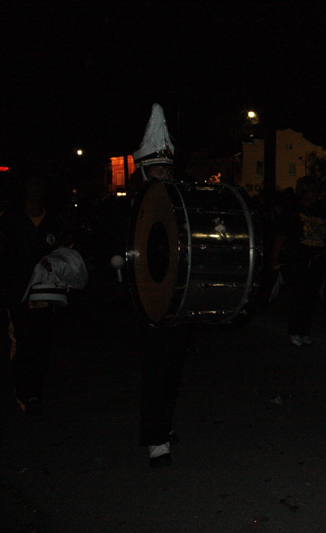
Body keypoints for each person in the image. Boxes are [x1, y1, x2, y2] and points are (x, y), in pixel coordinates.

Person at [127, 104, 188, 467]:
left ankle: (163, 424)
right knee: (156, 370)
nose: (164, 174)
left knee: (173, 368)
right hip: (147, 300)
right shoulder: (133, 206)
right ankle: (155, 438)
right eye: (158, 169)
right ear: (143, 171)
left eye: (167, 169)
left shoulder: (178, 204)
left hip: (176, 299)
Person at [0, 172, 79, 419]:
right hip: (18, 294)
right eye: (31, 185)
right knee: (22, 342)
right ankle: (26, 395)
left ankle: (36, 391)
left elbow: (68, 253)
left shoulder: (55, 222)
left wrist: (56, 266)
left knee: (42, 344)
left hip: (47, 294)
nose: (36, 190)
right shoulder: (9, 220)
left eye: (39, 185)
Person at [271, 176, 326, 346]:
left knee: (311, 298)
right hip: (298, 260)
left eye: (316, 191)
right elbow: (280, 236)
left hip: (317, 260)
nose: (315, 195)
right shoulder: (292, 211)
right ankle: (294, 331)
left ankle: (305, 331)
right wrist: (275, 258)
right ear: (303, 192)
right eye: (311, 191)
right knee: (298, 297)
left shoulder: (322, 212)